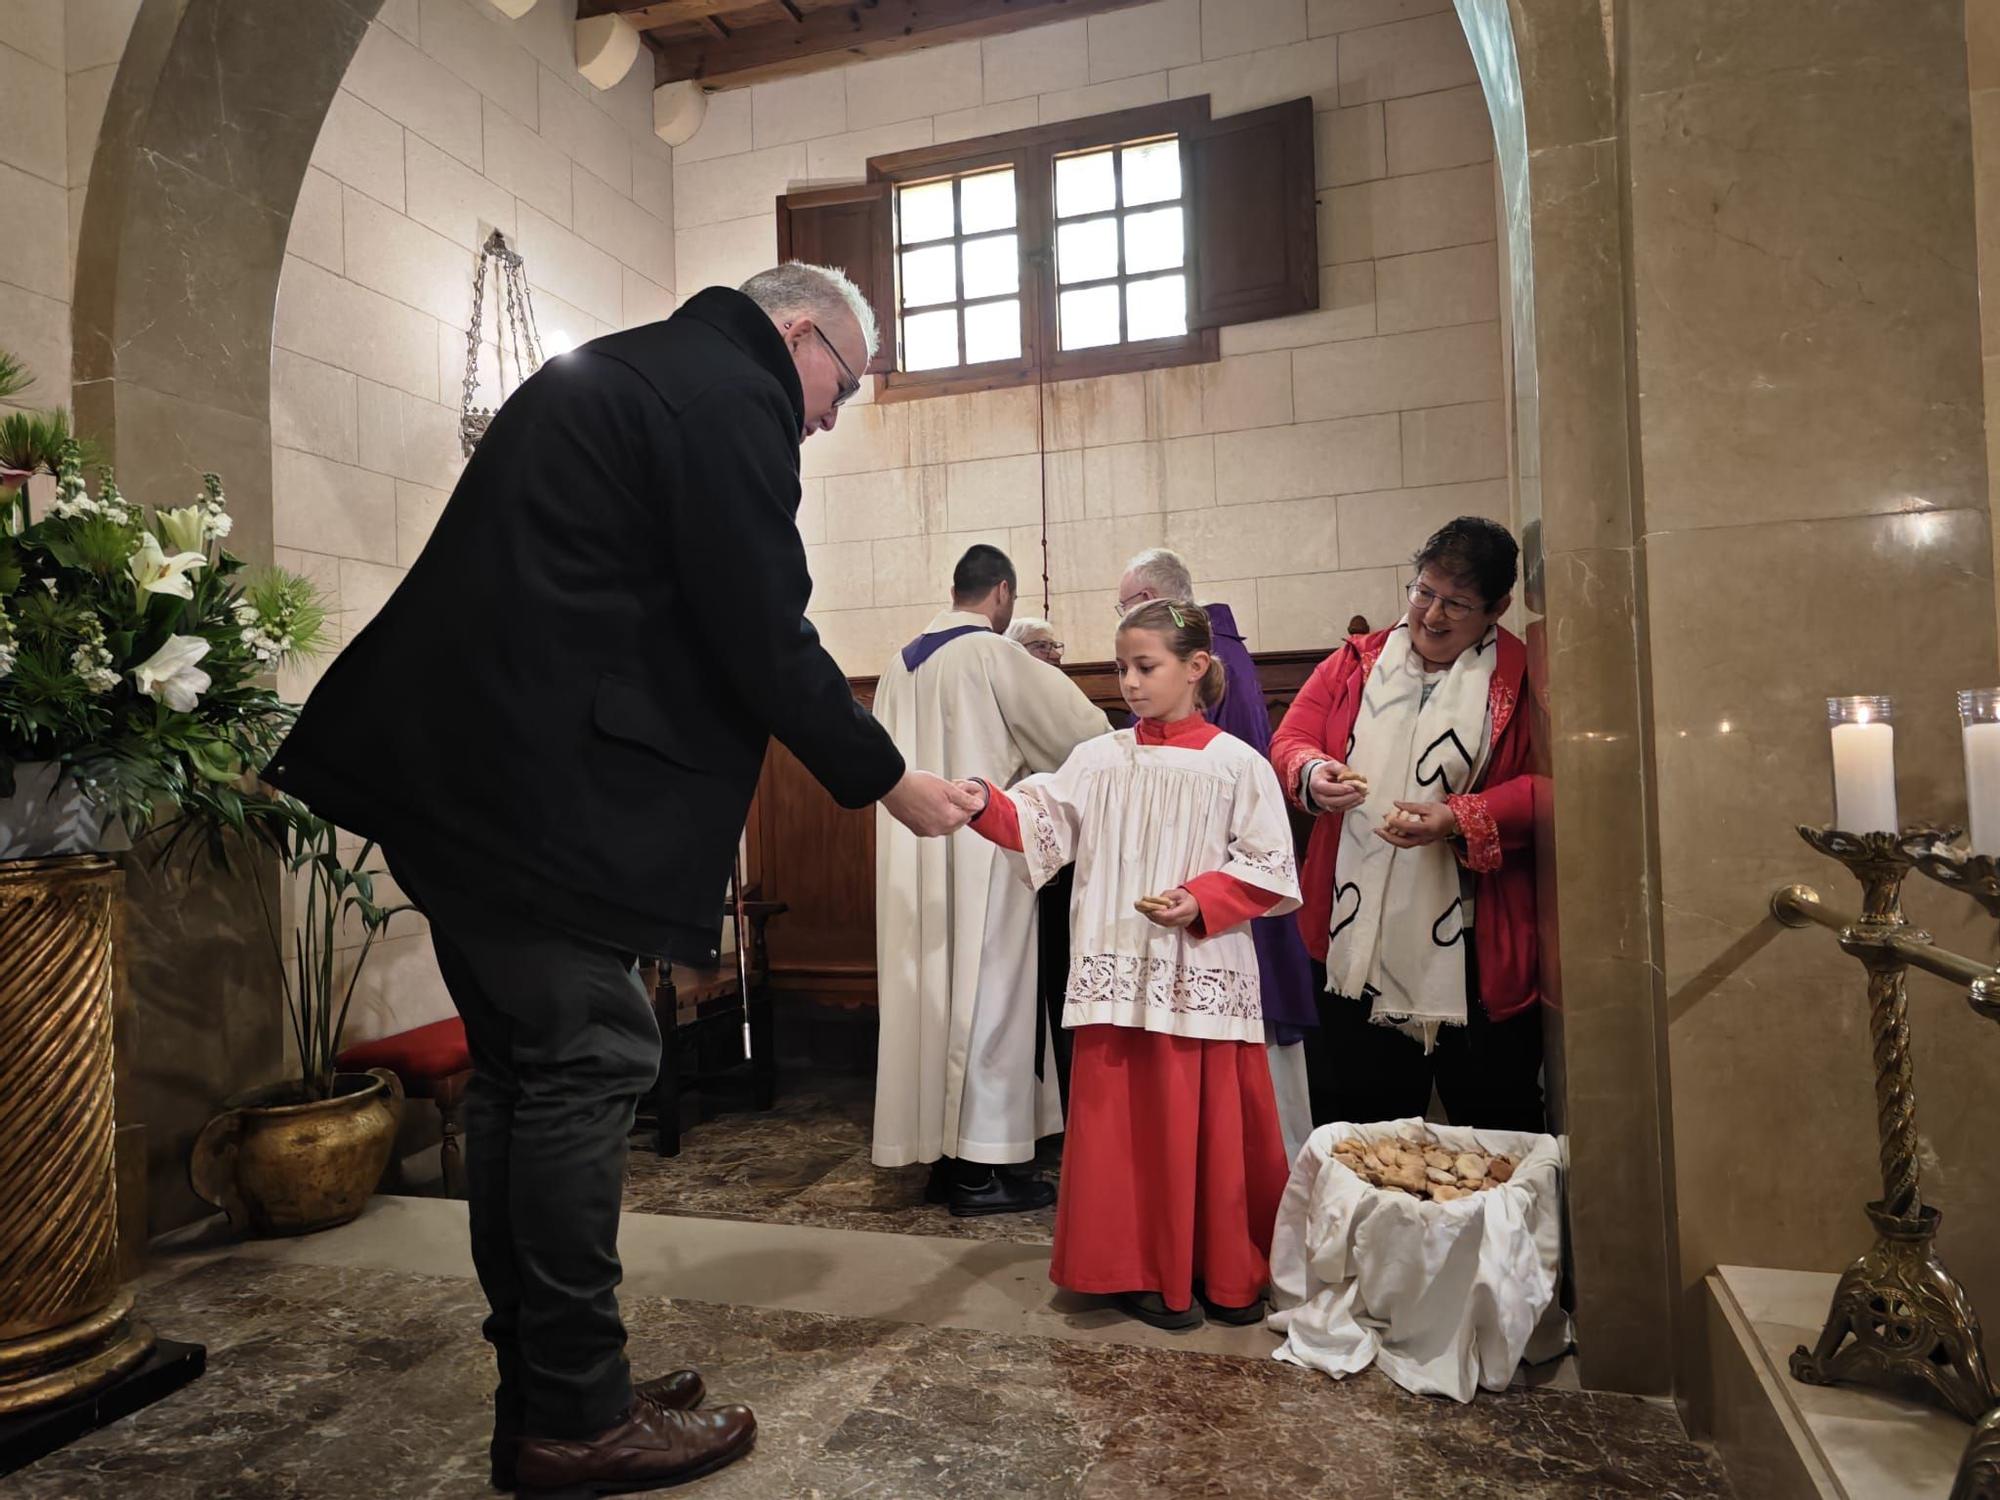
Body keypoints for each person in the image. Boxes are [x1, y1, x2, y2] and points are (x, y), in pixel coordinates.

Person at [265, 263, 979, 1496]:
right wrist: (887, 779)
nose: (827, 415)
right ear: (796, 332)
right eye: (841, 387)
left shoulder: (644, 368)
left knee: (528, 1078)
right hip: (529, 795)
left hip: (465, 778)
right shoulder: (724, 395)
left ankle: (556, 1392)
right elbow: (760, 621)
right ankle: (576, 1421)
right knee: (585, 1062)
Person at [959, 601, 1300, 1329]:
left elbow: (1271, 868)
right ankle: (1138, 1270)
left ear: (1196, 667)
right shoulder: (1098, 759)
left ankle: (1223, 1270)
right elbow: (1039, 823)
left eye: (1146, 667)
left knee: (1206, 1132)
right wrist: (979, 802)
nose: (1130, 683)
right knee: (1130, 1139)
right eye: (1121, 668)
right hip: (1117, 976)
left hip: (1200, 973)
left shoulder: (1238, 764)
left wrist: (1200, 898)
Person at [1269, 516, 1544, 1133]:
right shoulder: (1356, 663)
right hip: (1354, 942)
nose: (1433, 616)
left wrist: (1460, 816)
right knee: (1366, 1129)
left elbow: (1554, 792)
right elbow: (1292, 738)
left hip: (1474, 946)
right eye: (1424, 592)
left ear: (1498, 608)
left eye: (1458, 604)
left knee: (1492, 1127)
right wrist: (1314, 773)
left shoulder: (1522, 677)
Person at [872, 545, 1110, 1214]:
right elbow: (1084, 738)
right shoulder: (996, 656)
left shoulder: (898, 663)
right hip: (984, 856)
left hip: (910, 863)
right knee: (992, 1005)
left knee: (931, 1007)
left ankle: (945, 1163)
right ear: (1002, 593)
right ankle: (983, 1169)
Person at [1116, 548, 1318, 1163]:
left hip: (1216, 883)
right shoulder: (1216, 654)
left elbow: (1220, 776)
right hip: (1210, 881)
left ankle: (1256, 1170)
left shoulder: (1206, 667)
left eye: (1125, 605)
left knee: (1243, 1058)